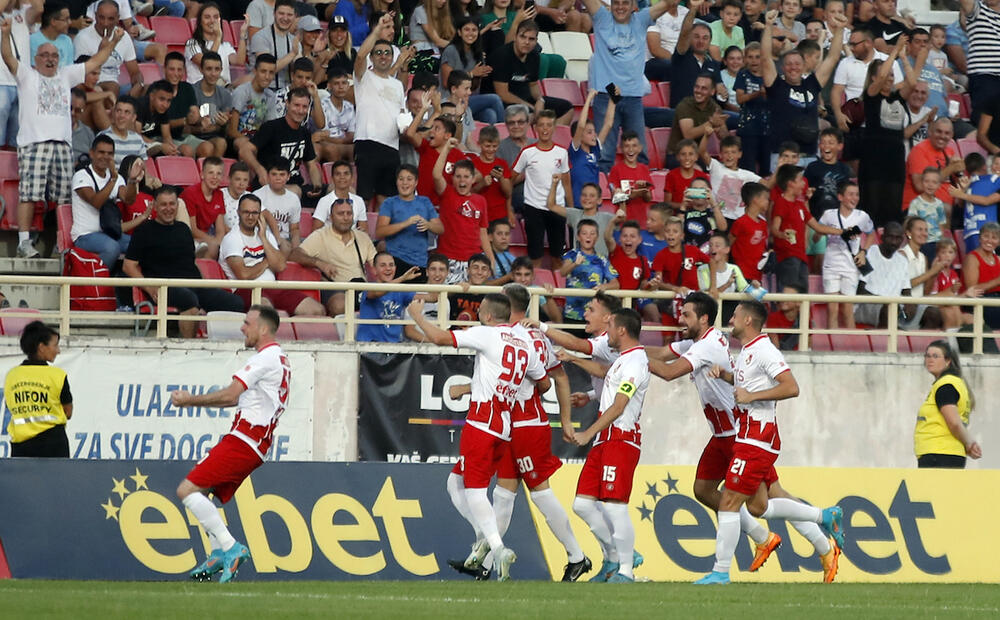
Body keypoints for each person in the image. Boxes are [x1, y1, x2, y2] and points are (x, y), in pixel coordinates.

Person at [647, 292, 840, 582]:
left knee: (745, 501)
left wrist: (628, 354)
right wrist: (726, 376)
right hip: (727, 433)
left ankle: (740, 560)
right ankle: (787, 537)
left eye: (686, 314)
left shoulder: (718, 345)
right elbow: (665, 355)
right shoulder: (725, 346)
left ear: (702, 318)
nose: (680, 318)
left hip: (741, 434)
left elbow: (669, 371)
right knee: (711, 491)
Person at [449, 283, 588, 582]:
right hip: (507, 424)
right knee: (502, 495)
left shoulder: (526, 335)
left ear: (505, 305)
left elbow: (556, 378)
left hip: (526, 423)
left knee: (540, 493)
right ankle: (486, 561)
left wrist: (565, 420)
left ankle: (577, 556)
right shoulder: (520, 336)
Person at [408, 293, 549, 582]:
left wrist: (418, 317)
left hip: (482, 422)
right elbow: (543, 382)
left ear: (486, 316)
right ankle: (486, 538)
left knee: (474, 490)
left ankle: (496, 547)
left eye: (479, 313)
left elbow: (440, 339)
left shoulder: (487, 334)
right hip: (506, 423)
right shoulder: (524, 343)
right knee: (455, 482)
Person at [171, 305, 291, 584]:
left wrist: (190, 400)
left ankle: (230, 547)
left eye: (247, 323)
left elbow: (230, 395)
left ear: (263, 329)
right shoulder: (279, 358)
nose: (242, 328)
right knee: (204, 492)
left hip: (246, 439)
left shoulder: (266, 358)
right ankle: (216, 555)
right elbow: (241, 398)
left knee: (186, 490)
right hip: (252, 441)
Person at [2, 16, 123, 258]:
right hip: (34, 143)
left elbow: (96, 61)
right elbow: (8, 57)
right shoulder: (27, 74)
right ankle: (24, 243)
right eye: (45, 55)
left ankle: (62, 241)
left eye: (54, 56)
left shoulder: (66, 74)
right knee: (29, 193)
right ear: (36, 59)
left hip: (62, 145)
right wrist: (4, 35)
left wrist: (111, 44)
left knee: (64, 197)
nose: (50, 59)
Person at [568, 308, 648, 583]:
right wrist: (575, 364)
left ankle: (625, 570)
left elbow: (620, 404)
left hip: (621, 438)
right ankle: (615, 556)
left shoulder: (636, 362)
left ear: (622, 330)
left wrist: (588, 433)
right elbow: (606, 378)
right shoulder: (623, 360)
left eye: (611, 326)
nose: (607, 331)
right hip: (607, 437)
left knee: (615, 506)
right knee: (582, 504)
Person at [123, 185, 245, 338]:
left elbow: (190, 262)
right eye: (163, 204)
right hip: (165, 286)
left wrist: (204, 283)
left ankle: (225, 351)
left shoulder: (183, 229)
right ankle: (188, 351)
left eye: (172, 204)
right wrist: (150, 288)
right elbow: (128, 266)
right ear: (154, 206)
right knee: (189, 300)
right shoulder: (144, 231)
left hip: (193, 284)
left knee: (235, 303)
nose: (168, 208)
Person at [583, 0, 674, 170]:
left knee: (639, 153)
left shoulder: (641, 19)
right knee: (604, 152)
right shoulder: (602, 17)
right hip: (607, 93)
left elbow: (669, 3)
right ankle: (603, 194)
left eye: (625, 3)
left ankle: (638, 190)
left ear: (633, 5)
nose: (620, 7)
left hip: (633, 95)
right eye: (616, 2)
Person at [761, 9, 847, 168]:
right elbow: (765, 58)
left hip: (810, 156)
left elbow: (833, 58)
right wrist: (768, 26)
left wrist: (840, 28)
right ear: (783, 67)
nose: (793, 67)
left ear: (803, 66)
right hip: (782, 157)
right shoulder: (776, 86)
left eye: (797, 64)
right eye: (789, 64)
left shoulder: (812, 84)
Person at [220, 194, 325, 317]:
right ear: (238, 212)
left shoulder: (266, 235)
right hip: (246, 290)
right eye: (246, 212)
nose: (250, 217)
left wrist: (263, 237)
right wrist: (267, 262)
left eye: (254, 213)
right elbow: (244, 275)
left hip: (273, 287)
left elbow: (280, 266)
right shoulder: (232, 239)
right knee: (266, 311)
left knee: (317, 309)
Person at [288, 198, 376, 316]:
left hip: (361, 288)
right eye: (340, 214)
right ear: (331, 217)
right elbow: (294, 255)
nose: (345, 217)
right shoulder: (320, 235)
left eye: (349, 213)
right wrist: (320, 264)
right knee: (340, 305)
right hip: (335, 287)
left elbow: (376, 265)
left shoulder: (363, 237)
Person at [354, 12, 405, 209]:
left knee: (387, 200)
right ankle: (363, 237)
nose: (383, 56)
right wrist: (377, 30)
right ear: (372, 57)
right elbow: (359, 55)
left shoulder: (398, 85)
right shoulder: (363, 78)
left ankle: (381, 239)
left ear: (393, 57)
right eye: (379, 53)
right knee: (364, 198)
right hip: (368, 142)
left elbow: (401, 116)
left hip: (392, 147)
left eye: (387, 53)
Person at [71, 134, 141, 269]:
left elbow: (128, 200)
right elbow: (96, 202)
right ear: (92, 153)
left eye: (109, 153)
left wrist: (132, 181)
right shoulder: (81, 176)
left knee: (140, 244)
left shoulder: (116, 176)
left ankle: (132, 284)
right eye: (101, 152)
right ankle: (93, 282)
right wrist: (112, 180)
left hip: (109, 233)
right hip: (84, 235)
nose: (105, 157)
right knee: (112, 248)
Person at [4, 321, 73, 458]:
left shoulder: (12, 375)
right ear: (41, 347)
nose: (58, 350)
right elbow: (68, 412)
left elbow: (10, 406)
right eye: (55, 345)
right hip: (53, 444)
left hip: (20, 446)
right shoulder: (57, 375)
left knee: (22, 480)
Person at [242, 88, 324, 199]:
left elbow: (311, 165)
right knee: (295, 191)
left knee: (334, 191)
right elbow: (244, 150)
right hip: (270, 186)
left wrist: (317, 186)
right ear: (287, 104)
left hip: (296, 185)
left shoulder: (305, 132)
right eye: (296, 105)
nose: (300, 111)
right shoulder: (271, 127)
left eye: (304, 107)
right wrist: (260, 170)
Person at [487, 19, 572, 125]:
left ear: (536, 41)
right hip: (503, 102)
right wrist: (530, 107)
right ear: (515, 37)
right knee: (530, 116)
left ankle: (551, 140)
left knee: (566, 108)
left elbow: (533, 85)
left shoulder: (534, 56)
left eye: (531, 39)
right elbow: (503, 94)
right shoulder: (502, 55)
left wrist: (540, 100)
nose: (526, 42)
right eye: (523, 37)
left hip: (525, 99)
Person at [915, 340, 982, 468]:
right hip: (945, 453)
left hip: (939, 453)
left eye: (935, 356)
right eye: (927, 356)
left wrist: (969, 443)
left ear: (948, 361)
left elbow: (954, 422)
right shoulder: (953, 383)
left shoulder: (946, 386)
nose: (930, 360)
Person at [434, 141, 493, 283]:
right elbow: (436, 175)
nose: (462, 180)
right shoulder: (447, 193)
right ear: (453, 179)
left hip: (473, 261)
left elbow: (483, 233)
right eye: (458, 176)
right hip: (448, 259)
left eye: (466, 177)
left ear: (473, 180)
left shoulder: (480, 200)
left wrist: (491, 260)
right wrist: (447, 148)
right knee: (447, 301)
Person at [819, 180, 873, 329]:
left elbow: (871, 234)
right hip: (831, 266)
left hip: (851, 267)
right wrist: (833, 232)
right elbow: (817, 233)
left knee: (848, 309)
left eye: (857, 195)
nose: (854, 198)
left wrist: (863, 252)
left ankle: (851, 347)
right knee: (832, 309)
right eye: (850, 194)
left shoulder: (862, 216)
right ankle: (830, 346)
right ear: (840, 197)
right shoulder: (829, 215)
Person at [375, 164, 442, 281]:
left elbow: (440, 229)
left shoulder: (425, 202)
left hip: (421, 262)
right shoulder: (389, 203)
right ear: (396, 182)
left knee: (418, 298)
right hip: (396, 261)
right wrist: (405, 223)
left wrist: (428, 224)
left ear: (416, 182)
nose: (405, 183)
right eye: (401, 179)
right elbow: (380, 232)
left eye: (409, 179)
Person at [560, 219, 620, 328]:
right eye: (584, 233)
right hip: (572, 314)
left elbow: (616, 284)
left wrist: (604, 286)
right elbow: (563, 272)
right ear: (578, 237)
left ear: (597, 237)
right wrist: (575, 264)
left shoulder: (602, 259)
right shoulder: (571, 255)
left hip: (595, 315)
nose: (588, 236)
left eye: (592, 234)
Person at [854, 220, 915, 328]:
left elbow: (906, 291)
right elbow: (860, 290)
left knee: (932, 313)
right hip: (867, 305)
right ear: (882, 237)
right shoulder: (869, 254)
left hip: (894, 306)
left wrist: (909, 304)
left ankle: (918, 343)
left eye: (898, 238)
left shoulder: (902, 260)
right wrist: (885, 302)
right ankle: (889, 341)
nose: (894, 242)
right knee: (889, 309)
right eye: (890, 237)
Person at [902, 118, 963, 218]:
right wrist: (950, 169)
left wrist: (959, 173)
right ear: (930, 131)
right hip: (918, 209)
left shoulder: (950, 152)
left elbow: (959, 185)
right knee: (945, 209)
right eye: (939, 131)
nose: (942, 136)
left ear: (952, 135)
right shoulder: (919, 150)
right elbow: (920, 186)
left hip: (947, 208)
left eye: (947, 133)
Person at [356, 252, 420, 342]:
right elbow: (377, 292)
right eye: (383, 265)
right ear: (374, 270)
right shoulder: (368, 288)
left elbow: (429, 298)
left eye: (391, 265)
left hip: (394, 348)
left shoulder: (400, 291)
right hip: (369, 347)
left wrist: (436, 278)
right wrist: (402, 278)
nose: (388, 268)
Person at [670, 0, 720, 110]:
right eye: (696, 36)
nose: (701, 41)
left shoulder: (713, 64)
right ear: (690, 38)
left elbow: (720, 96)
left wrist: (722, 93)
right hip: (683, 112)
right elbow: (684, 33)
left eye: (705, 38)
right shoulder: (681, 57)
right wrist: (693, 9)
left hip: (707, 113)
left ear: (710, 41)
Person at [186, 1, 246, 86]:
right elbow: (207, 63)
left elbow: (239, 61)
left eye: (216, 17)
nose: (212, 21)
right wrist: (218, 37)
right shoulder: (192, 44)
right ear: (200, 21)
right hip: (200, 91)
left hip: (223, 91)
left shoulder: (226, 46)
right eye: (207, 17)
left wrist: (243, 35)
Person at [180, 156, 227, 259]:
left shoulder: (219, 194)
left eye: (218, 174)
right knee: (210, 250)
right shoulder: (191, 193)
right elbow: (192, 229)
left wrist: (218, 242)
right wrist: (212, 241)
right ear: (202, 175)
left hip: (208, 235)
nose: (215, 177)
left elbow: (220, 229)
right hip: (188, 236)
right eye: (211, 173)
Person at [228, 53, 278, 149]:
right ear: (255, 71)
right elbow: (232, 131)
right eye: (263, 71)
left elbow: (270, 127)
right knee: (245, 145)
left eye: (271, 72)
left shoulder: (271, 95)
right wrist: (254, 143)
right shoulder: (242, 92)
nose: (267, 77)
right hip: (237, 141)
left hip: (257, 141)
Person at [249, 0, 300, 92]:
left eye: (289, 15)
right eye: (281, 13)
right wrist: (292, 54)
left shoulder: (294, 40)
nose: (285, 18)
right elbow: (266, 69)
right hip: (263, 90)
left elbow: (299, 71)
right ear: (274, 14)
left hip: (289, 92)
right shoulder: (260, 37)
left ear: (295, 17)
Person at [190, 52, 233, 158]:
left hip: (214, 137)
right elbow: (183, 127)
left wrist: (223, 125)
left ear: (221, 70)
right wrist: (201, 128)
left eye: (217, 69)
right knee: (207, 148)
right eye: (209, 69)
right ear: (201, 69)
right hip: (192, 137)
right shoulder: (191, 91)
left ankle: (215, 171)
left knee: (221, 143)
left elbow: (228, 130)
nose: (213, 74)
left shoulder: (225, 94)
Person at [609, 130, 654, 224]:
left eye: (634, 146)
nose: (630, 150)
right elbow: (614, 198)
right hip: (622, 223)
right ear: (621, 149)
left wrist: (644, 190)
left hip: (641, 222)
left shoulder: (644, 169)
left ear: (640, 148)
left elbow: (649, 198)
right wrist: (631, 195)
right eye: (626, 146)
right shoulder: (616, 169)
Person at [962, 221, 1000, 329]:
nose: (989, 240)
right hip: (978, 302)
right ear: (979, 238)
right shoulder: (972, 258)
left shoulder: (998, 260)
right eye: (986, 236)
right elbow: (972, 290)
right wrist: (997, 281)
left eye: (994, 237)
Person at [312, 159, 367, 233]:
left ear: (352, 178)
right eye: (338, 174)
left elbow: (364, 231)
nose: (342, 177)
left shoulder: (359, 201)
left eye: (346, 174)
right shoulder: (324, 201)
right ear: (332, 179)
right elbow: (315, 232)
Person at [314, 68, 355, 163]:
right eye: (336, 83)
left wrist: (338, 141)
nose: (341, 87)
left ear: (348, 85)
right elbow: (322, 137)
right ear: (329, 86)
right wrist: (342, 140)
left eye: (344, 83)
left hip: (339, 143)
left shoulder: (349, 106)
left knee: (357, 148)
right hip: (324, 144)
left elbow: (352, 136)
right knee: (332, 149)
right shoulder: (322, 105)